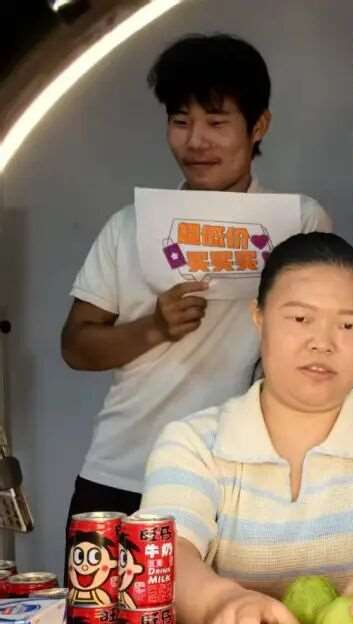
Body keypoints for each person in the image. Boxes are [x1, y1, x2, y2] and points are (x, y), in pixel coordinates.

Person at [61, 33, 332, 518]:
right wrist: (154, 328)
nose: (195, 141)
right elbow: (76, 346)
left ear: (259, 126)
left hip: (241, 480)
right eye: (180, 121)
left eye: (216, 122)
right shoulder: (130, 226)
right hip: (124, 471)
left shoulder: (299, 222)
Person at [139, 233, 353, 624]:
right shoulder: (194, 442)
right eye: (300, 318)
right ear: (259, 318)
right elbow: (166, 557)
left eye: (349, 325)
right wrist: (222, 604)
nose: (323, 342)